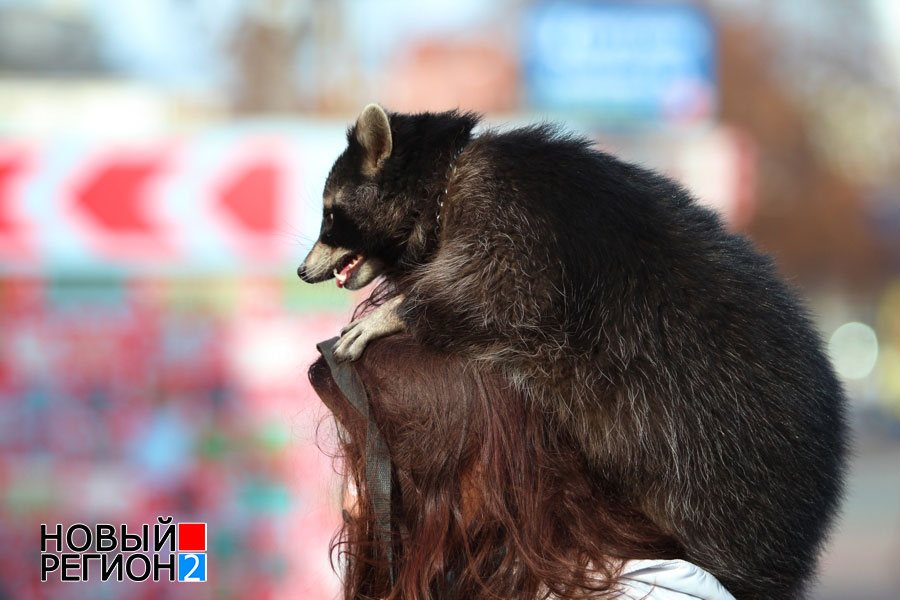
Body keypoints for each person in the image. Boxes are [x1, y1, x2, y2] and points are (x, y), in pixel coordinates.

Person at [309, 334, 735, 600]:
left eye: (375, 466)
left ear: (476, 464)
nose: (354, 504)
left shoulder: (648, 593)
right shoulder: (467, 579)